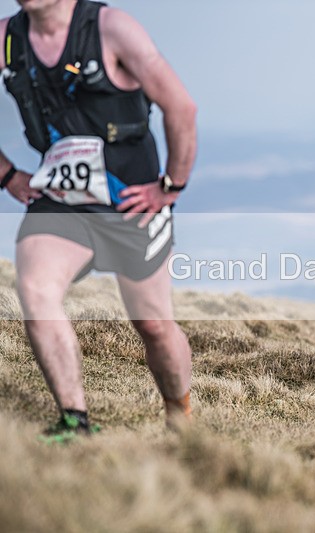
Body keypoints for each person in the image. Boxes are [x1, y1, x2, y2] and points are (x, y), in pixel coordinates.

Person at [0, 0, 197, 441]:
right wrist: (8, 174)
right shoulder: (8, 38)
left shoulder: (112, 29)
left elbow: (181, 107)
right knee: (35, 288)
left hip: (132, 201)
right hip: (62, 198)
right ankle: (75, 421)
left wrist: (171, 186)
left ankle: (180, 418)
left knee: (153, 325)